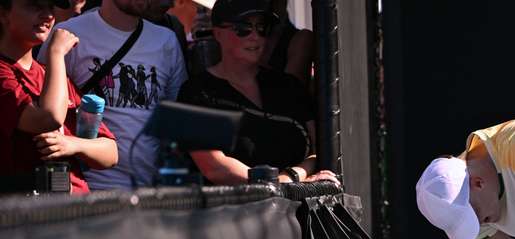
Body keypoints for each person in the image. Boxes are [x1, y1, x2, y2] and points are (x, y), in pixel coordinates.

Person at [175, 0, 335, 185]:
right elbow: (214, 168)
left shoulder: (288, 86)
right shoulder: (194, 93)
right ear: (218, 32)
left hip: (296, 209)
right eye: (243, 28)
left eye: (262, 28)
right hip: (235, 210)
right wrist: (279, 184)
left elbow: (320, 149)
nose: (255, 36)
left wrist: (293, 176)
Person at [38, 0, 188, 189]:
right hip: (86, 188)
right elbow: (45, 110)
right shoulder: (67, 34)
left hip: (149, 190)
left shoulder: (166, 41)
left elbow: (176, 117)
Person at [1, 0, 117, 195]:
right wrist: (55, 52)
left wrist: (73, 144)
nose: (47, 15)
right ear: (3, 13)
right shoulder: (7, 71)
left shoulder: (53, 75)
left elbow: (111, 153)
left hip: (75, 212)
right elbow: (48, 118)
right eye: (34, 5)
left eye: (50, 7)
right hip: (26, 215)